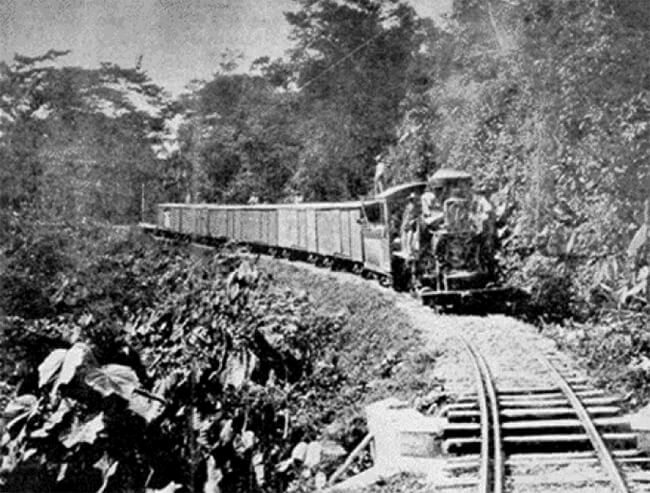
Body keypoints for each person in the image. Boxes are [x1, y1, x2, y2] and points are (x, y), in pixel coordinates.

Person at [400, 193, 419, 257]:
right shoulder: (411, 206)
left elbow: (406, 215)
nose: (415, 200)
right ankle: (408, 251)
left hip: (406, 223)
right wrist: (413, 220)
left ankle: (406, 251)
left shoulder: (408, 206)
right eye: (414, 199)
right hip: (408, 223)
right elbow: (409, 216)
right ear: (413, 199)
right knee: (409, 237)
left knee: (406, 238)